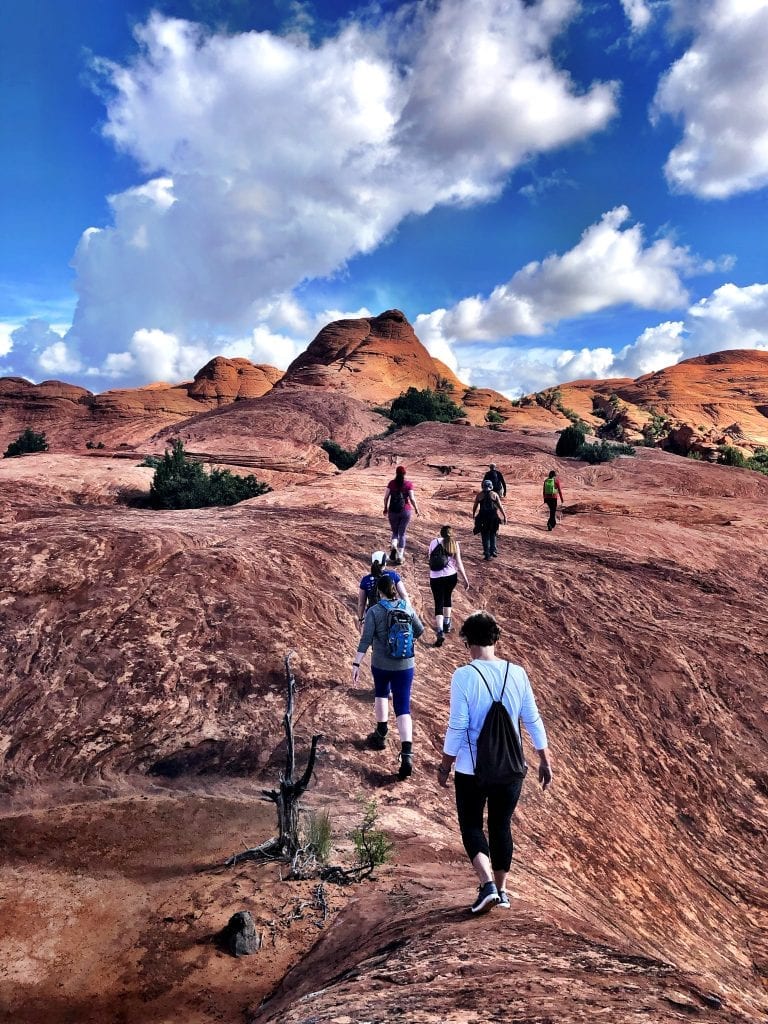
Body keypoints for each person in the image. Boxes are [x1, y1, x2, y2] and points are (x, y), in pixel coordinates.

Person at [436, 611, 552, 914]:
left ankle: (486, 884)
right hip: (511, 766)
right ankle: (501, 892)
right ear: (496, 639)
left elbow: (458, 725)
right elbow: (532, 719)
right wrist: (544, 759)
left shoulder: (464, 676)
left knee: (472, 825)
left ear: (466, 642)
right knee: (501, 824)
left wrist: (445, 764)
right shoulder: (518, 673)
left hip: (472, 768)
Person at [352, 575, 425, 779]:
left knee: (382, 694)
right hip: (405, 664)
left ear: (379, 592)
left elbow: (365, 639)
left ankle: (381, 734)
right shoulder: (406, 606)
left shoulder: (374, 611)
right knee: (403, 707)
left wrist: (356, 663)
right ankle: (407, 754)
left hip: (381, 664)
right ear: (394, 588)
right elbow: (419, 631)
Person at [428, 525, 470, 647]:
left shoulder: (433, 542)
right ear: (451, 534)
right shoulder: (454, 544)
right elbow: (459, 563)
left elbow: (430, 558)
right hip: (451, 576)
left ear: (441, 533)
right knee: (447, 597)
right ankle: (447, 623)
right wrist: (465, 579)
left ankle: (440, 630)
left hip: (435, 576)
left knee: (438, 602)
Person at [357, 551, 409, 632]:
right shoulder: (393, 575)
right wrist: (409, 612)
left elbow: (361, 604)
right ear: (385, 563)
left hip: (373, 617)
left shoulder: (365, 580)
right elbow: (404, 595)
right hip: (392, 615)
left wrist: (361, 620)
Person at [383, 465, 420, 564]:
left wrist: (385, 508)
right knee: (402, 533)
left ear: (396, 473)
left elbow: (386, 497)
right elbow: (412, 498)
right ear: (405, 474)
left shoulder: (391, 483)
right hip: (405, 511)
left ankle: (394, 545)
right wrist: (417, 509)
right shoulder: (408, 484)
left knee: (395, 532)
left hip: (393, 511)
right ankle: (400, 557)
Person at [472, 479, 507, 560]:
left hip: (483, 517)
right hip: (493, 517)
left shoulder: (479, 495)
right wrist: (505, 516)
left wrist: (473, 514)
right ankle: (493, 550)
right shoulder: (494, 495)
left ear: (483, 486)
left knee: (485, 535)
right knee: (493, 533)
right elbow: (500, 506)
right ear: (491, 486)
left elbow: (475, 506)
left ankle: (487, 553)